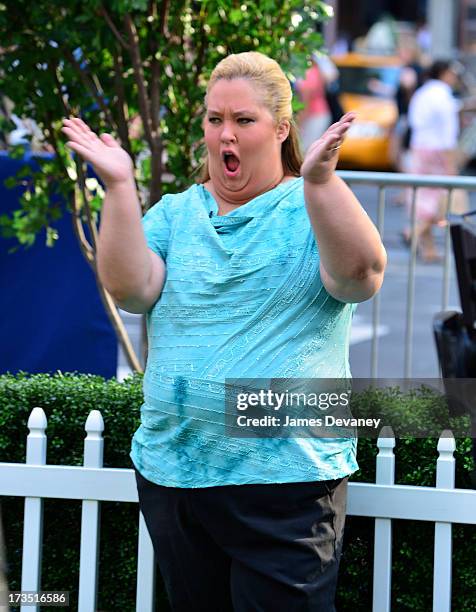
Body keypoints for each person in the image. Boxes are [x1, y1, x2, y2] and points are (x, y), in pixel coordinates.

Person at [62, 51, 386, 612]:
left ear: (281, 128)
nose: (225, 135)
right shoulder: (175, 212)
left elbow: (360, 277)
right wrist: (118, 187)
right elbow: (132, 289)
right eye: (215, 120)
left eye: (243, 120)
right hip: (175, 473)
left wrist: (321, 181)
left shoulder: (313, 203)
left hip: (287, 483)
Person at [405, 60, 461, 262]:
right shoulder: (443, 96)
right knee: (440, 198)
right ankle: (414, 232)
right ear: (445, 73)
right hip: (437, 150)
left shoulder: (422, 92)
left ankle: (428, 248)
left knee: (423, 197)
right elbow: (448, 133)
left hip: (419, 147)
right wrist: (451, 162)